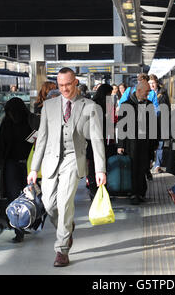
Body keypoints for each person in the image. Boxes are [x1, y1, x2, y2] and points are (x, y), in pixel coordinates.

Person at [27, 67, 106, 267]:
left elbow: (97, 139)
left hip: (73, 158)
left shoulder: (90, 106)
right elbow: (42, 139)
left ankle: (61, 250)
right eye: (61, 85)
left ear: (75, 82)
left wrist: (100, 170)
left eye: (68, 85)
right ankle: (67, 228)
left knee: (64, 203)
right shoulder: (48, 106)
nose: (64, 89)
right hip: (50, 160)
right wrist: (34, 169)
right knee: (49, 204)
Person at [0, 97, 40, 243]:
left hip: (23, 165)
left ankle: (25, 224)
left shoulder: (25, 121)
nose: (11, 115)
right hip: (19, 164)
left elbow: (0, 145)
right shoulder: (18, 121)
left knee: (22, 196)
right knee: (20, 196)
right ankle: (20, 228)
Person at [117, 80, 158, 205]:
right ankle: (134, 193)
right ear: (138, 91)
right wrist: (120, 145)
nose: (148, 94)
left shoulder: (149, 104)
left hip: (145, 143)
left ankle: (141, 192)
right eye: (146, 92)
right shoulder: (126, 105)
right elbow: (121, 127)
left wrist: (154, 144)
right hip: (131, 144)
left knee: (143, 167)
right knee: (133, 168)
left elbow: (153, 126)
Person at [86, 84, 117, 197]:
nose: (110, 96)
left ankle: (94, 188)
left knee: (93, 164)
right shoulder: (98, 105)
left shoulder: (93, 103)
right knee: (97, 162)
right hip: (99, 138)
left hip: (94, 138)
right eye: (109, 93)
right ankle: (98, 188)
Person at [149, 75, 171, 173]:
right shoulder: (146, 93)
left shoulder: (163, 93)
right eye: (150, 83)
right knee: (149, 145)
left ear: (157, 83)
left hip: (161, 122)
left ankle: (157, 165)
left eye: (153, 83)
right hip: (149, 123)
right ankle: (150, 162)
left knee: (160, 144)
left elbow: (167, 108)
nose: (151, 85)